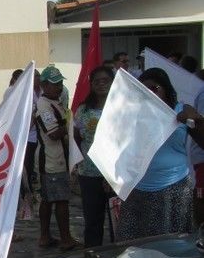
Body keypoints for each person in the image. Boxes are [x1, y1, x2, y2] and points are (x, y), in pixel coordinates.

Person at [116, 68, 194, 241]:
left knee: (164, 245)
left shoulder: (181, 110)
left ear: (165, 88)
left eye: (154, 88)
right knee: (129, 241)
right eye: (144, 90)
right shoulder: (133, 113)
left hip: (172, 186)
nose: (150, 93)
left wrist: (196, 120)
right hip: (136, 187)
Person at [34, 65, 80, 250]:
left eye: (60, 83)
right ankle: (65, 238)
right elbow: (53, 133)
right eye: (55, 84)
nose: (59, 87)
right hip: (52, 159)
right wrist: (69, 127)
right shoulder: (44, 106)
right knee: (60, 200)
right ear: (44, 85)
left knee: (48, 199)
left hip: (57, 158)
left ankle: (45, 236)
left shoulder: (56, 102)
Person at [73, 66, 114, 247]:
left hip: (116, 173)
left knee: (116, 220)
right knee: (92, 220)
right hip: (89, 172)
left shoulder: (121, 107)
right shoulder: (83, 110)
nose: (101, 84)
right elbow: (76, 136)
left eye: (105, 80)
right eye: (97, 81)